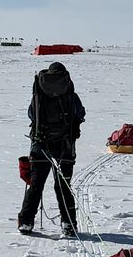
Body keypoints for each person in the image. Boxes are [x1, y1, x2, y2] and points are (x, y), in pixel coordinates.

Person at [19, 61, 84, 236]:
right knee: (63, 185)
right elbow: (80, 113)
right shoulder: (71, 95)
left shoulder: (39, 93)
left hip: (40, 144)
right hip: (65, 145)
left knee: (36, 184)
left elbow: (31, 114)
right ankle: (68, 224)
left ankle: (26, 221)